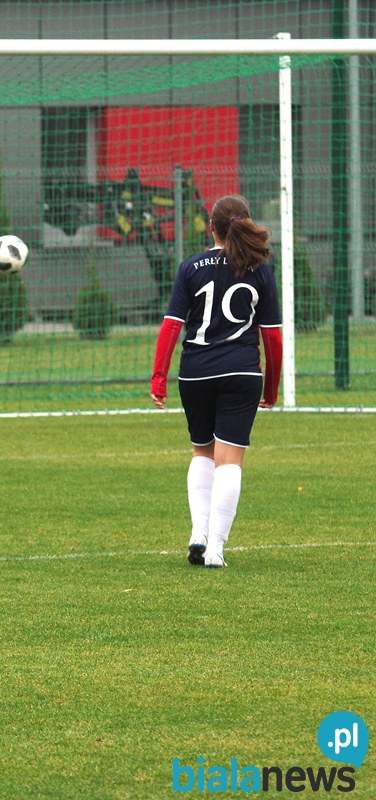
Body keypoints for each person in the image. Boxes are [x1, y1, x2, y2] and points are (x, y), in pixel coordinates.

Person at [150, 195, 282, 568]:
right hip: (241, 373)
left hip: (195, 372)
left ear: (212, 228)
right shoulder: (260, 271)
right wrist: (271, 387)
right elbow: (272, 337)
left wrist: (159, 378)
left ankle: (198, 533)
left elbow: (171, 326)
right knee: (230, 460)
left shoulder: (190, 267)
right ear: (246, 225)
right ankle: (216, 549)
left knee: (202, 451)